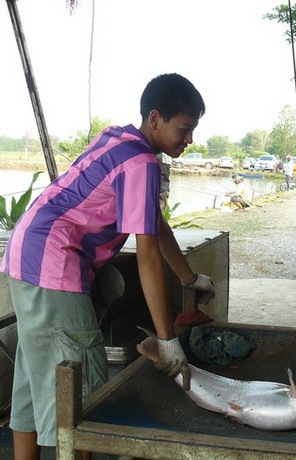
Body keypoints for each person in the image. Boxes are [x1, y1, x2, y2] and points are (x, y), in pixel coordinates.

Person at [1, 73, 216, 459]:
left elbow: (154, 221)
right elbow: (147, 254)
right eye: (184, 130)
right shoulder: (142, 163)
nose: (189, 140)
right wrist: (168, 340)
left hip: (26, 253)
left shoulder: (118, 138)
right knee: (82, 399)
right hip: (55, 265)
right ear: (155, 118)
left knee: (33, 385)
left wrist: (189, 277)